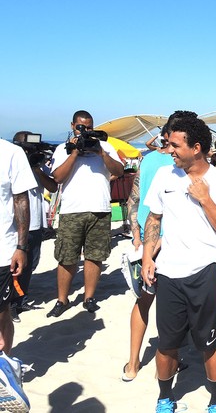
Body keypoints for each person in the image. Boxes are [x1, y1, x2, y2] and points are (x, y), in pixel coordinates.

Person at [141, 114, 216, 413]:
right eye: (167, 143)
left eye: (174, 145)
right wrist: (147, 256)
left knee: (210, 343)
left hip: (204, 272)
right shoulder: (164, 176)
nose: (169, 150)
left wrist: (206, 199)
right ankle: (164, 398)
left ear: (196, 147)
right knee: (167, 343)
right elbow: (154, 217)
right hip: (168, 273)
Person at [121, 112, 191, 382]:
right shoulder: (183, 162)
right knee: (172, 305)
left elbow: (133, 199)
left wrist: (136, 233)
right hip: (167, 242)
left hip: (147, 241)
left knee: (144, 301)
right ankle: (167, 360)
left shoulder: (148, 160)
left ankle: (133, 362)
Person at [47, 110, 124, 317]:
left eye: (89, 127)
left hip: (100, 209)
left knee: (95, 256)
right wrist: (74, 153)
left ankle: (88, 298)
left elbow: (119, 170)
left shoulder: (105, 146)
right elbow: (58, 178)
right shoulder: (63, 149)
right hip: (72, 210)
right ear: (73, 125)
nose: (85, 131)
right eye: (81, 127)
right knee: (66, 257)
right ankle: (62, 300)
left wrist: (101, 153)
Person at [0, 138, 34, 412]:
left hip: (2, 250)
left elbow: (21, 199)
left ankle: (6, 368)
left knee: (2, 314)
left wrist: (22, 246)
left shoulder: (11, 153)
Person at [10, 132, 57, 323]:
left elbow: (53, 187)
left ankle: (21, 299)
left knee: (31, 263)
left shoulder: (36, 164)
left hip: (36, 223)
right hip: (15, 225)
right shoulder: (12, 163)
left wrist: (37, 169)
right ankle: (10, 304)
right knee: (13, 267)